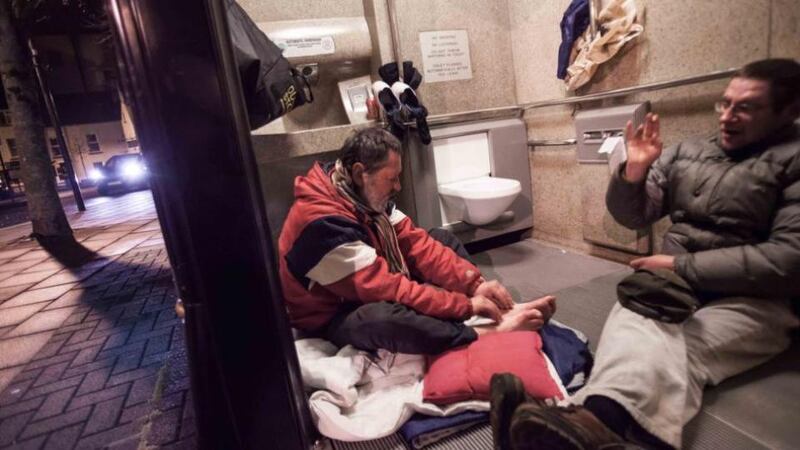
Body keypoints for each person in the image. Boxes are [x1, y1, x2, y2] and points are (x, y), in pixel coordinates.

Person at [495, 58, 800, 449]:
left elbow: (787, 260)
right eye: (724, 104)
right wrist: (633, 173)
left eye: (745, 107)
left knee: (675, 347)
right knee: (638, 321)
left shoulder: (793, 160)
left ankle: (579, 421)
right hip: (671, 285)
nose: (727, 116)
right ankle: (585, 428)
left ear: (788, 110)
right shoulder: (689, 152)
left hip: (756, 301)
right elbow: (633, 215)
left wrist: (679, 264)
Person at [278, 127, 556, 355]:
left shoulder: (360, 192)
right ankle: (482, 331)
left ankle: (493, 310)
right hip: (333, 313)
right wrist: (464, 306)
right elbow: (388, 289)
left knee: (440, 238)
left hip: (371, 281)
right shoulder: (322, 224)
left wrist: (476, 285)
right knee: (380, 318)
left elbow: (418, 245)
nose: (397, 187)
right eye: (391, 179)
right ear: (361, 172)